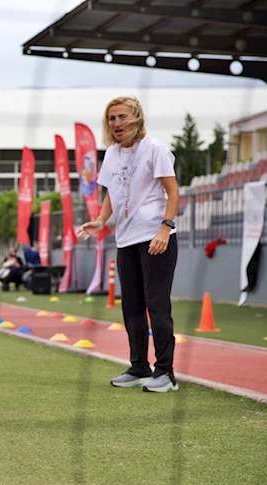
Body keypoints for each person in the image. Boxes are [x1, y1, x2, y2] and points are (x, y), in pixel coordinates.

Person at [76, 95, 180, 393]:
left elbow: (173, 192)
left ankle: (165, 373)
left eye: (122, 117)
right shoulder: (111, 153)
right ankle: (139, 367)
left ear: (136, 118)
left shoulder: (155, 149)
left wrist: (165, 227)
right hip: (125, 239)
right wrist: (101, 219)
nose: (117, 123)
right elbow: (113, 192)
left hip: (155, 238)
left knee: (157, 305)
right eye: (112, 119)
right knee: (132, 307)